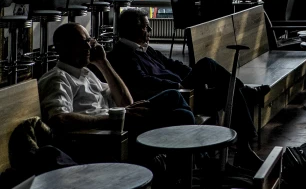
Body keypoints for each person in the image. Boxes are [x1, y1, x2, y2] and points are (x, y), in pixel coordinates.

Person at [107, 9, 267, 169]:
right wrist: (178, 85)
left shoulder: (145, 49)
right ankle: (247, 94)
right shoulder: (122, 54)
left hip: (185, 89)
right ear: (134, 29)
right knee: (207, 64)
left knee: (228, 92)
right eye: (146, 27)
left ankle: (244, 149)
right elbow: (142, 81)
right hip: (174, 98)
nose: (150, 31)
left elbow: (171, 64)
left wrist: (193, 76)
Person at [38, 23, 194, 135]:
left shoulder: (87, 73)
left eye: (90, 41)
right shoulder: (58, 79)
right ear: (64, 47)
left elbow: (126, 102)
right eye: (83, 42)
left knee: (173, 96)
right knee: (182, 115)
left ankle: (188, 163)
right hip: (102, 133)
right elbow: (59, 119)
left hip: (118, 121)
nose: (90, 47)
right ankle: (191, 164)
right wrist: (109, 118)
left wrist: (104, 64)